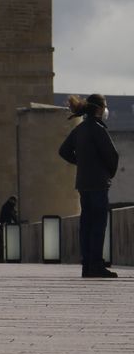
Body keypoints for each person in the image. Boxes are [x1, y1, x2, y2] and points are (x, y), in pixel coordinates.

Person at [58, 93, 120, 279]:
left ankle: (87, 265)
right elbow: (113, 156)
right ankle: (96, 265)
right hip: (98, 184)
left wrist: (81, 163)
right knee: (98, 225)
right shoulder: (98, 129)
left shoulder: (81, 129)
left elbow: (63, 151)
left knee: (86, 224)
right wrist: (107, 172)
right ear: (100, 109)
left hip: (83, 184)